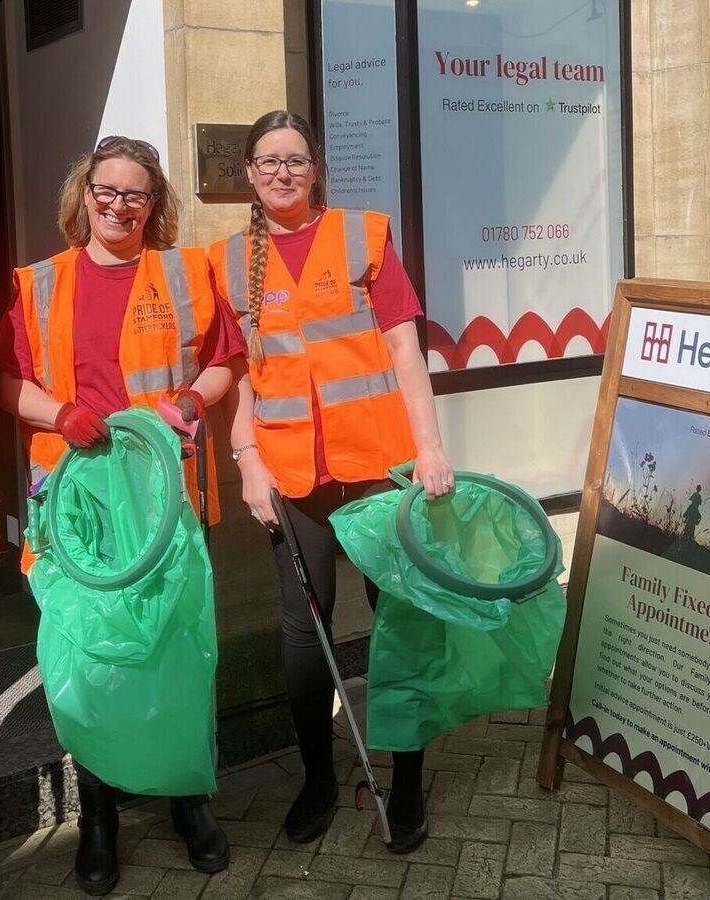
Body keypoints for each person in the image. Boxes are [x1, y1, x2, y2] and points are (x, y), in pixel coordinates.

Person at [0, 135, 242, 895]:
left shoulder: (187, 271)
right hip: (76, 510)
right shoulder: (35, 284)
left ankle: (186, 803)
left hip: (162, 498)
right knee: (93, 664)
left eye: (136, 194)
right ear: (84, 193)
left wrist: (196, 397)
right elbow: (5, 385)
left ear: (154, 203)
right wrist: (60, 411)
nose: (119, 206)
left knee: (174, 651)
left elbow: (226, 361)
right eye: (107, 190)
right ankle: (97, 817)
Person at [210, 110, 455, 853]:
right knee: (301, 632)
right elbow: (239, 378)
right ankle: (317, 777)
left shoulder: (365, 235)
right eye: (267, 161)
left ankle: (407, 781)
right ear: (249, 175)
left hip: (379, 468)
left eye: (295, 159)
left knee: (401, 622)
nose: (282, 171)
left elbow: (404, 352)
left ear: (316, 168)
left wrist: (431, 449)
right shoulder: (225, 261)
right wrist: (248, 462)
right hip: (292, 473)